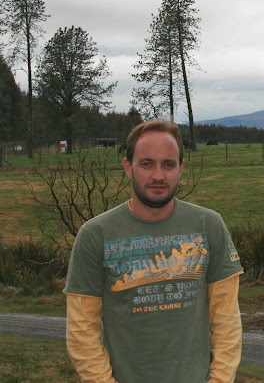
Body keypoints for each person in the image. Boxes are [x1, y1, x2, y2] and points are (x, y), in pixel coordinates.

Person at [64, 120, 243, 382]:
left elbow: (227, 320)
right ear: (128, 167)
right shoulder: (95, 234)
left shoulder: (209, 225)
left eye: (168, 164)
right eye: (147, 164)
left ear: (181, 169)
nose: (158, 175)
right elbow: (82, 331)